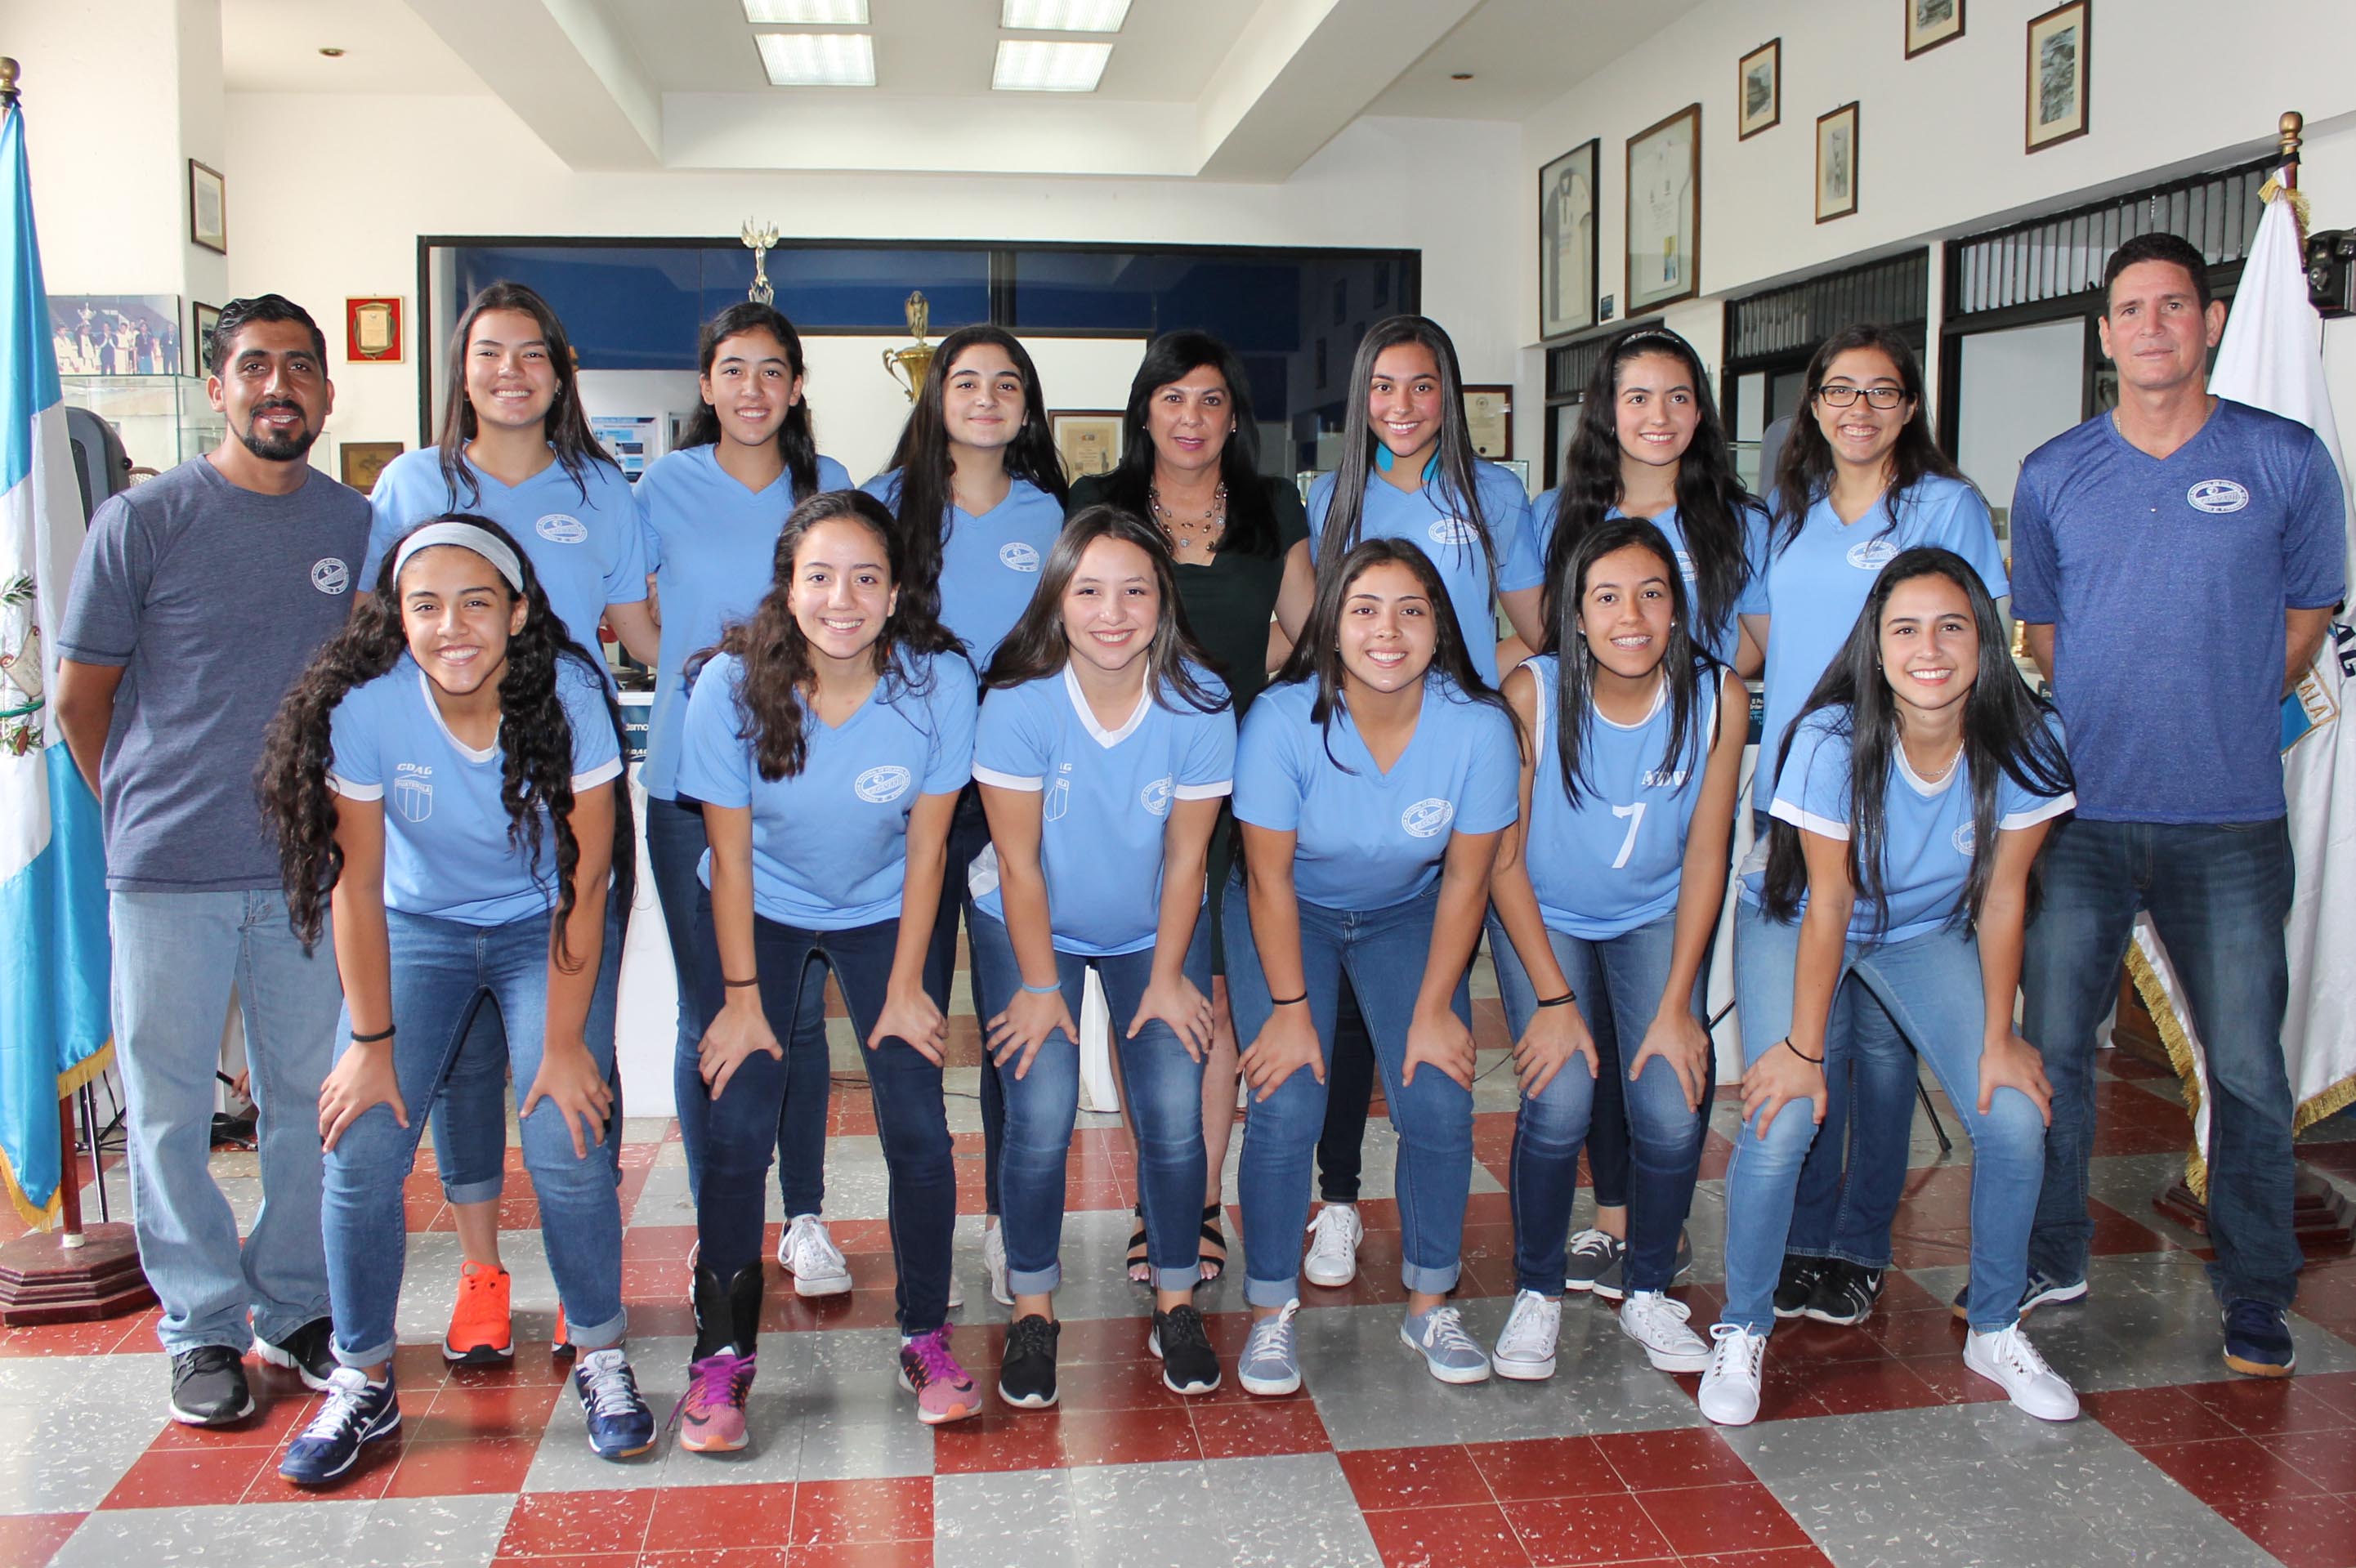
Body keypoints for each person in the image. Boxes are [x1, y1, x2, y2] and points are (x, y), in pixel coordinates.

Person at [257, 516, 655, 1482]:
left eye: (477, 602)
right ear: (396, 616)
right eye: (425, 605)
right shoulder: (368, 705)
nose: (451, 627)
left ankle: (601, 1350)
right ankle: (363, 1375)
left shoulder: (567, 694)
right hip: (419, 927)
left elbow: (586, 880)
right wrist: (370, 1042)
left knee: (566, 1129)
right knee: (359, 1141)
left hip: (541, 922)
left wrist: (565, 1041)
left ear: (517, 613)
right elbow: (356, 885)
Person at [2010, 232, 2345, 1378]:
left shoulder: (2284, 457)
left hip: (2229, 820)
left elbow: (2308, 612)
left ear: (2208, 322)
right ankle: (2049, 1253)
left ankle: (2254, 1286)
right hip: (2083, 818)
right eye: (2128, 309)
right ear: (2104, 335)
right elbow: (2044, 631)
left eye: (2171, 305)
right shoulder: (2053, 471)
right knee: (2054, 1049)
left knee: (2245, 1063)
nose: (2150, 326)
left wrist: (2229, 697)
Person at [55, 294, 364, 1426]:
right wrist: (146, 806)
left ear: (327, 392)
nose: (279, 386)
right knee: (170, 1109)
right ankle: (201, 1327)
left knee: (305, 1104)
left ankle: (296, 1303)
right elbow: (80, 698)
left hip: (304, 871)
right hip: (167, 870)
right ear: (218, 387)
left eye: (300, 367)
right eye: (255, 366)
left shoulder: (358, 526)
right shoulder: (144, 520)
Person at [1700, 547, 2078, 1427]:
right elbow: (1829, 900)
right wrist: (1800, 1051)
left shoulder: (2029, 737)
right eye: (1905, 629)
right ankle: (1742, 1327)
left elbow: (2003, 894)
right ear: (1875, 645)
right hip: (1796, 915)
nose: (1929, 649)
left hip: (1921, 929)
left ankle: (1994, 1326)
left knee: (2012, 1112)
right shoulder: (1831, 738)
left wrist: (2000, 1035)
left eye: (1951, 626)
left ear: (1985, 638)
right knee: (1783, 1114)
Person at [360, 279, 656, 1364]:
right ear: (461, 368)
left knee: (577, 1053)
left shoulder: (600, 486)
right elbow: (377, 638)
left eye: (533, 353)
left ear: (560, 370)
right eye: (490, 352)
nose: (511, 372)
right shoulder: (412, 482)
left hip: (567, 799)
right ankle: (482, 1272)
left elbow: (640, 631)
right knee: (462, 1064)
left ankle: (589, 1292)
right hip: (443, 812)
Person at [672, 491, 981, 1441]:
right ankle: (721, 1356)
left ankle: (925, 1334)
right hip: (757, 904)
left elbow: (929, 847)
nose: (841, 599)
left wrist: (909, 987)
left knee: (918, 1121)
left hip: (886, 907)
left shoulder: (939, 683)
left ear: (895, 592)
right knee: (738, 1121)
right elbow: (728, 854)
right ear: (788, 585)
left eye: (865, 577)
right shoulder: (728, 687)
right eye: (820, 576)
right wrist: (739, 1000)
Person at [1737, 324, 2010, 1330]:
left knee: (1888, 1050)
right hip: (1797, 794)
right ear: (1812, 406)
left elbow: (1980, 640)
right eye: (1840, 391)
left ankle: (1858, 1245)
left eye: (1882, 392)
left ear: (1910, 406)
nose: (1859, 409)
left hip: (1905, 804)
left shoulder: (1944, 506)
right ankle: (1804, 1236)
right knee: (1817, 1035)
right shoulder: (1789, 511)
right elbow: (1758, 641)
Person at [1227, 538, 1520, 1395]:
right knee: (1288, 1094)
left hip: (1409, 912)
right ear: (1330, 625)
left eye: (1410, 610)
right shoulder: (1281, 719)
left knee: (1437, 1087)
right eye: (1364, 610)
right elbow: (1267, 878)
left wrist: (1434, 1008)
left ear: (1440, 626)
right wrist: (1290, 1010)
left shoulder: (1479, 727)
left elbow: (1467, 878)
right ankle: (1270, 1310)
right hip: (1289, 909)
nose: (1386, 630)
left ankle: (1429, 1303)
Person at [1299, 314, 1546, 1293]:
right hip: (1359, 764)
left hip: (1460, 768)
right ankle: (1338, 1199)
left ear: (1451, 395)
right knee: (1346, 1017)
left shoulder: (1495, 493)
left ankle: (1429, 1216)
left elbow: (1535, 625)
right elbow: (1326, 632)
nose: (1402, 406)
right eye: (1383, 387)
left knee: (1432, 983)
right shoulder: (1334, 495)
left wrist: (1487, 688)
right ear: (1361, 398)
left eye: (1422, 385)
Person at [969, 507, 1235, 1407]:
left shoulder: (1200, 700)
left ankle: (1175, 1299)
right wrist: (1040, 986)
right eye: (1088, 590)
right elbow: (1017, 863)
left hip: (1151, 923)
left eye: (1134, 590)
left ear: (1164, 601)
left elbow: (1189, 859)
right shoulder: (1018, 701)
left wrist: (1165, 979)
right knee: (1041, 1108)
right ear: (1057, 599)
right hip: (1026, 918)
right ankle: (1033, 1309)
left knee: (1172, 1108)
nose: (1111, 613)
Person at [1524, 322, 1768, 1297]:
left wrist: (1693, 694)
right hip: (1583, 776)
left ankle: (1653, 1243)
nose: (1658, 416)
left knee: (1663, 1044)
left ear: (1701, 410)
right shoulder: (1560, 514)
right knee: (1579, 1059)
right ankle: (1613, 1220)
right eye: (1637, 397)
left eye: (1677, 396)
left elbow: (1757, 637)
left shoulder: (1737, 519)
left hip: (1685, 766)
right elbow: (1539, 641)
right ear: (1606, 411)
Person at [1067, 329, 1315, 1284]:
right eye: (1173, 397)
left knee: (1210, 993)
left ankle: (1198, 1202)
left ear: (1234, 416)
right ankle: (1157, 1196)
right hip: (1127, 775)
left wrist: (1250, 679)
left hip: (1235, 780)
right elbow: (1074, 621)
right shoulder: (1100, 502)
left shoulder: (1271, 505)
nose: (1192, 417)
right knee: (1148, 988)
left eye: (1212, 399)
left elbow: (1307, 629)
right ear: (1145, 410)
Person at [1486, 517, 1746, 1380]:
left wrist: (1678, 1005)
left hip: (1654, 913)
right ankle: (1536, 1291)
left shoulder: (1716, 696)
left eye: (1650, 594)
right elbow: (1503, 859)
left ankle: (1647, 1289)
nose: (1629, 616)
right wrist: (1555, 1001)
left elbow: (1707, 853)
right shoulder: (1532, 692)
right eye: (1606, 597)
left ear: (1676, 609)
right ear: (1576, 613)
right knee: (1560, 1097)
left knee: (1670, 1101)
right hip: (1544, 912)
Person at [635, 302, 856, 1300]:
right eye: (733, 369)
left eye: (772, 370)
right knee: (710, 1012)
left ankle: (804, 1216)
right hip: (689, 783)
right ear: (707, 384)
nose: (753, 389)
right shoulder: (664, 485)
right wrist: (707, 679)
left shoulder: (830, 484)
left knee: (799, 1015)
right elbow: (636, 616)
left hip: (802, 784)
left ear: (797, 385)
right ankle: (717, 1218)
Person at [864, 325, 1070, 1308]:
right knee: (907, 1008)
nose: (986, 398)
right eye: (967, 382)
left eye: (1006, 384)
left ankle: (1001, 1222)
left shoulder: (1048, 511)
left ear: (1027, 407)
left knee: (1004, 1017)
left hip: (1008, 798)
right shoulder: (889, 502)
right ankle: (923, 1230)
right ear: (936, 397)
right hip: (912, 791)